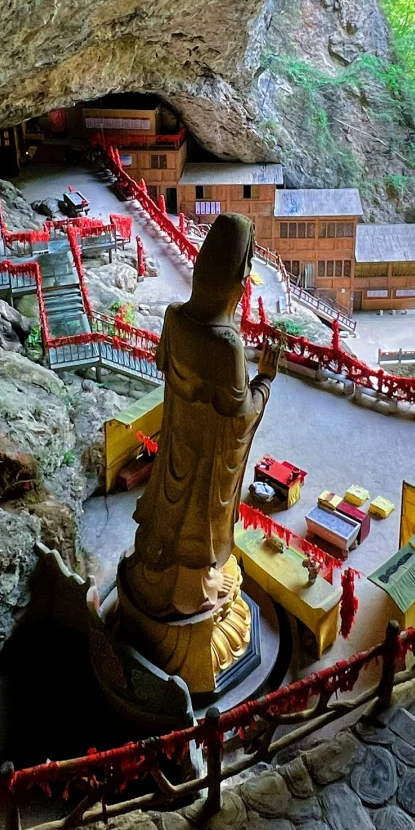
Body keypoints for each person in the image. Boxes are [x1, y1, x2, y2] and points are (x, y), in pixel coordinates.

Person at [123, 213, 281, 621]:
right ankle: (190, 591)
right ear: (235, 280)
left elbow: (168, 374)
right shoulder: (225, 343)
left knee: (166, 514)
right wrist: (265, 378)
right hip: (205, 465)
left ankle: (156, 574)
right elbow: (240, 414)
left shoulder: (175, 316)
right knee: (194, 529)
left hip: (176, 446)